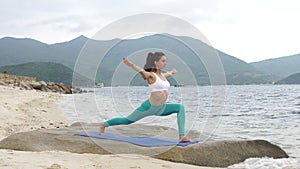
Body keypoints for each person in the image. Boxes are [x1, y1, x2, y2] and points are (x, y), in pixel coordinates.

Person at [99, 52, 192, 142]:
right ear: (156, 62)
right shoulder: (151, 75)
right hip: (149, 107)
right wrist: (130, 64)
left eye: (165, 61)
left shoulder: (162, 76)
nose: (165, 63)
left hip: (162, 108)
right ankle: (104, 124)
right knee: (127, 120)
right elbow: (141, 71)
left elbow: (168, 74)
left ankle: (181, 136)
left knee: (180, 107)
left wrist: (172, 72)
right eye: (163, 61)